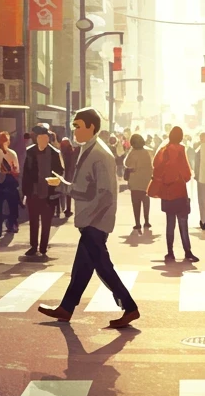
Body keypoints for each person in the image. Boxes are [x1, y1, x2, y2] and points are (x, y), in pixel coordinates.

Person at [38, 109, 140, 329]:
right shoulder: (89, 149)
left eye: (78, 126)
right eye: (74, 126)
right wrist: (64, 185)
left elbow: (104, 194)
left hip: (96, 221)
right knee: (82, 268)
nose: (74, 130)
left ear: (91, 127)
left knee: (103, 267)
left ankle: (129, 307)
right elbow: (86, 188)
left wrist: (66, 190)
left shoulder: (100, 154)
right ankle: (66, 308)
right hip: (91, 220)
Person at [150, 126, 197, 262]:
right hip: (179, 191)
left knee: (170, 223)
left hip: (167, 192)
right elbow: (187, 173)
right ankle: (187, 251)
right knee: (183, 222)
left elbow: (155, 166)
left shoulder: (163, 150)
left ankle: (170, 252)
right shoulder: (180, 150)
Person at [21, 123, 65, 258]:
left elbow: (60, 171)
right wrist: (25, 192)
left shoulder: (55, 153)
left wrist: (55, 181)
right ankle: (33, 246)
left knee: (46, 222)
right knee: (33, 221)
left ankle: (43, 247)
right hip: (33, 192)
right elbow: (26, 173)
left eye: (45, 138)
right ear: (37, 139)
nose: (43, 140)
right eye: (40, 138)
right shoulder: (30, 152)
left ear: (48, 139)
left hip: (48, 193)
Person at [0, 131, 20, 235]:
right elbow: (17, 170)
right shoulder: (12, 153)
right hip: (8, 180)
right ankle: (11, 225)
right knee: (12, 205)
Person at [124, 133, 153, 231]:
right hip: (146, 181)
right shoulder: (147, 152)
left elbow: (127, 164)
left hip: (135, 182)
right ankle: (147, 221)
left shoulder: (132, 153)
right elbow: (151, 166)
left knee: (136, 203)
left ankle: (137, 223)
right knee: (146, 201)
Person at [59, 137, 77, 218]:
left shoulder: (61, 153)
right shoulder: (73, 153)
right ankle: (68, 209)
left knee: (61, 193)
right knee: (68, 193)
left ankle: (60, 209)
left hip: (62, 174)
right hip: (70, 175)